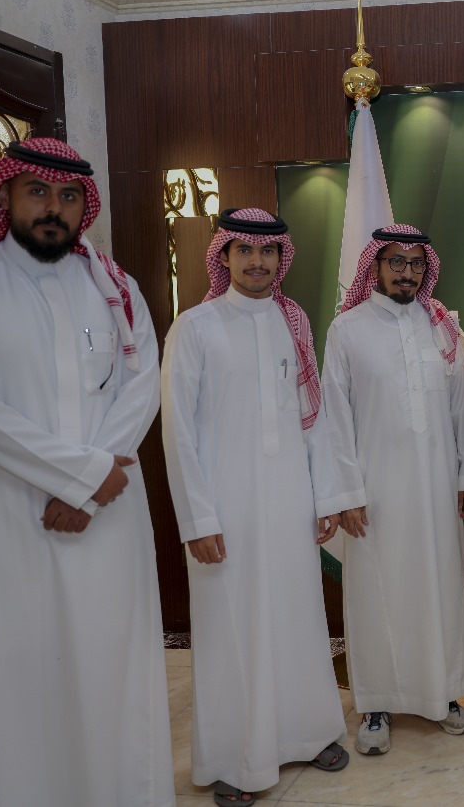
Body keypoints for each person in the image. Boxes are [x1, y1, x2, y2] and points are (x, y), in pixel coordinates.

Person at [0, 138, 174, 807]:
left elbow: (141, 386)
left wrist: (90, 484)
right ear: (5, 195)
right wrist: (82, 474)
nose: (54, 208)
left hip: (107, 515)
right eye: (38, 191)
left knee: (110, 672)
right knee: (11, 683)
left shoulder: (114, 288)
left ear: (84, 206)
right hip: (1, 517)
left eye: (69, 195)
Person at [161, 208, 350, 806]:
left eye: (267, 251)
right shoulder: (194, 326)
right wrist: (197, 519)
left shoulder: (294, 322)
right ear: (223, 256)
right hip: (225, 506)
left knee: (297, 617)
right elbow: (177, 431)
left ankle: (308, 733)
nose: (257, 262)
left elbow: (312, 420)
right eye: (244, 250)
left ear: (281, 258)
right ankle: (236, 759)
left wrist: (325, 495)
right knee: (233, 629)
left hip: (290, 501)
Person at [321, 224, 464, 755]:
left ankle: (443, 694)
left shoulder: (444, 328)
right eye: (396, 262)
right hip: (375, 492)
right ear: (376, 266)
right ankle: (376, 705)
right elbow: (335, 417)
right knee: (377, 593)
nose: (406, 272)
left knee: (439, 587)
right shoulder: (347, 330)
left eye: (415, 263)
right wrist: (347, 493)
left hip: (437, 487)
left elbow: (463, 409)